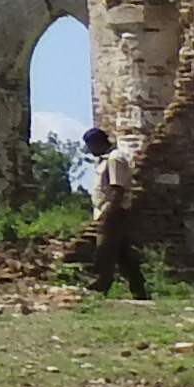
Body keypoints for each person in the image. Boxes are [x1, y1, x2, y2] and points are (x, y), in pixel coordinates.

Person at [75, 125, 152, 297]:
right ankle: (139, 291)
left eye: (90, 146)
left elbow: (117, 188)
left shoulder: (114, 159)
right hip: (113, 213)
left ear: (97, 143)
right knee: (123, 255)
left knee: (104, 250)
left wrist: (108, 213)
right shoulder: (106, 159)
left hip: (114, 213)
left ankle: (100, 285)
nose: (89, 150)